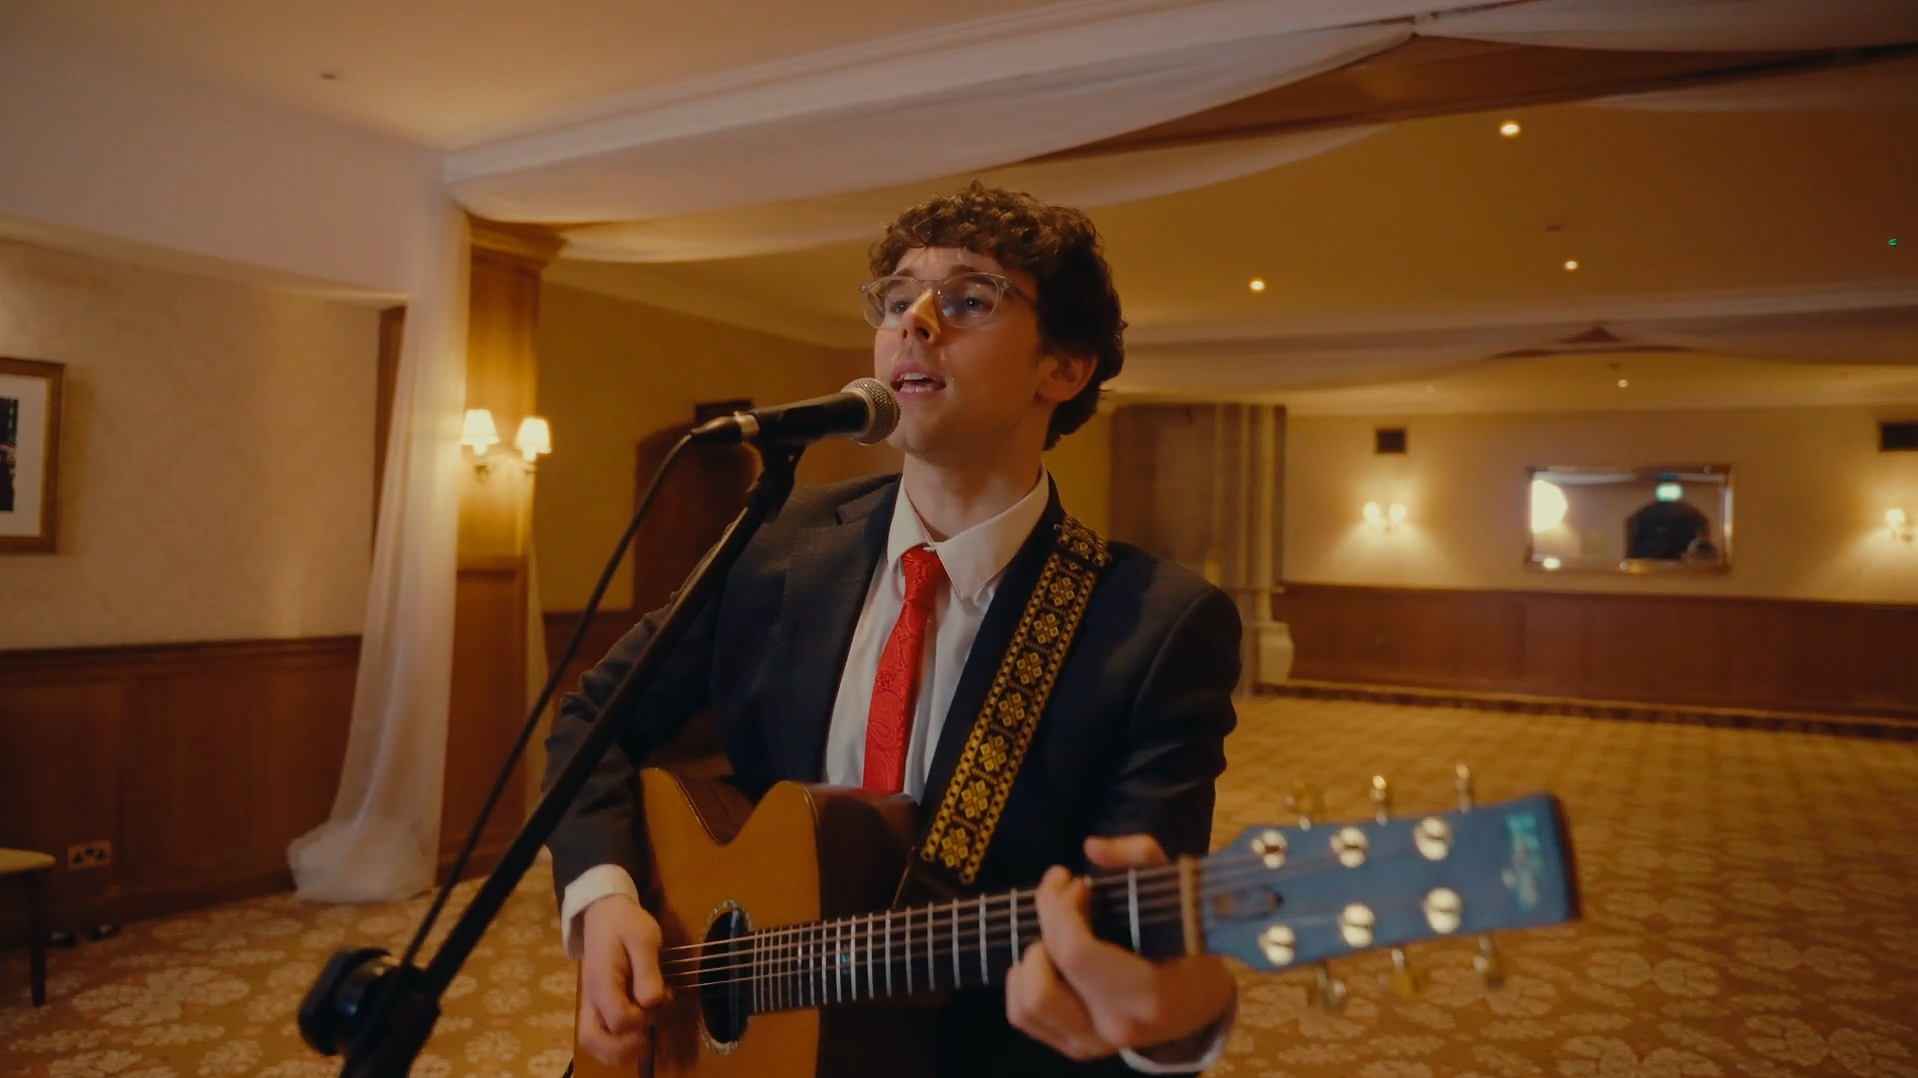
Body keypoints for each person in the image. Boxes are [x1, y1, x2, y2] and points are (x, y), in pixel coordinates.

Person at [543, 182, 1242, 1075]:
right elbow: (591, 723)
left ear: (1064, 368)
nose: (913, 321)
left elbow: (1146, 932)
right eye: (896, 298)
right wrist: (605, 899)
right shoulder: (776, 542)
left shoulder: (1157, 626)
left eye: (970, 299)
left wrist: (1175, 1021)